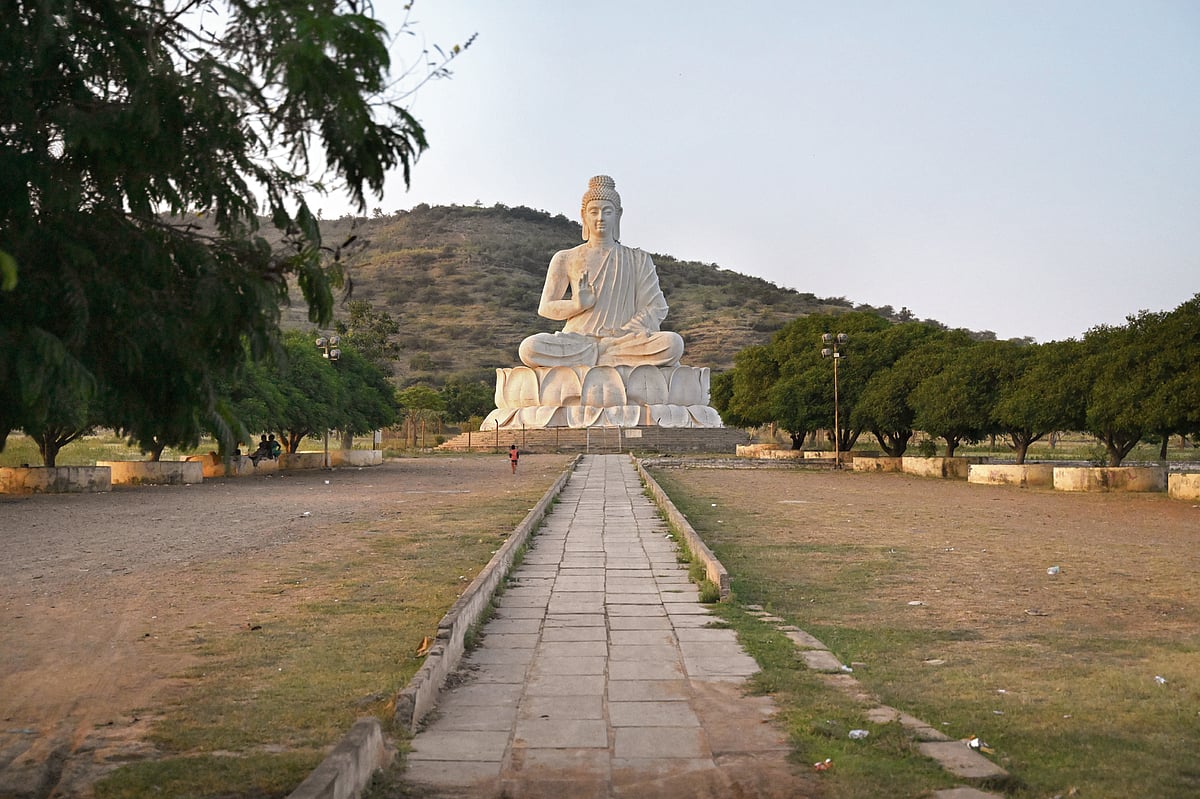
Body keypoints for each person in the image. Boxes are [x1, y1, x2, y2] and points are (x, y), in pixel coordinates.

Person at [517, 175, 685, 369]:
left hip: (622, 341)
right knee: (529, 348)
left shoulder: (638, 259)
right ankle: (605, 359)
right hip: (578, 341)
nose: (600, 218)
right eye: (594, 211)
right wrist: (577, 304)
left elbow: (656, 307)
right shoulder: (565, 258)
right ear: (584, 215)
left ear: (618, 215)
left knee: (672, 344)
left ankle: (600, 358)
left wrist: (623, 332)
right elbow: (546, 307)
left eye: (607, 211)